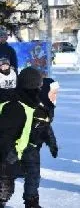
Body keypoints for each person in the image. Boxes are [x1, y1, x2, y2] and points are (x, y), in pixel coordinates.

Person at [0, 67, 43, 207]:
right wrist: (9, 154)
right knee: (4, 190)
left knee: (6, 190)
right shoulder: (16, 107)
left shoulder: (27, 102)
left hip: (13, 152)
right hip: (5, 154)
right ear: (33, 85)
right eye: (39, 84)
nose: (41, 87)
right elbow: (5, 134)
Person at [21, 78, 59, 208]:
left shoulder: (47, 106)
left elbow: (46, 127)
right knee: (10, 174)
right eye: (53, 93)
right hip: (22, 145)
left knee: (33, 175)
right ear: (44, 92)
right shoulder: (33, 107)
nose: (55, 96)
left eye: (56, 93)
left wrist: (52, 144)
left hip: (33, 148)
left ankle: (31, 202)